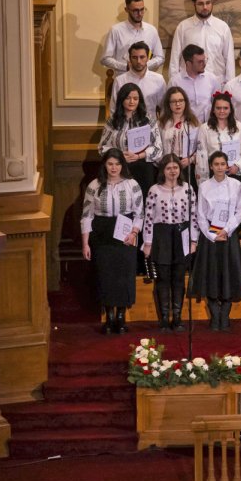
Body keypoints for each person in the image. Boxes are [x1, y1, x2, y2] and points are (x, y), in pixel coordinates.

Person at [81, 148, 144, 334]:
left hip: (126, 233)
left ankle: (121, 316)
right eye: (110, 164)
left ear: (122, 165)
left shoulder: (132, 184)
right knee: (106, 274)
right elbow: (86, 216)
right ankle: (109, 317)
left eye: (117, 164)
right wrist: (85, 243)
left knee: (124, 274)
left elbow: (140, 213)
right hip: (102, 232)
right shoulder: (94, 185)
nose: (114, 168)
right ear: (105, 165)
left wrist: (133, 233)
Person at [141, 154, 197, 331]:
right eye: (168, 168)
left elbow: (194, 216)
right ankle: (164, 317)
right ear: (163, 170)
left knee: (179, 278)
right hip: (161, 234)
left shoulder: (187, 189)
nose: (172, 171)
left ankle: (178, 317)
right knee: (163, 278)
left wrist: (194, 240)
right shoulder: (154, 190)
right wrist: (147, 242)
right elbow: (148, 218)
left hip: (182, 233)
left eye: (175, 168)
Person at [191, 150, 241, 331]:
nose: (220, 167)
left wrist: (227, 230)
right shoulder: (204, 186)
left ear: (227, 165)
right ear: (211, 166)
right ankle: (214, 316)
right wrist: (212, 235)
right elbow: (200, 215)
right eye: (216, 164)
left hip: (228, 235)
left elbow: (239, 212)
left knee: (229, 274)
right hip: (211, 238)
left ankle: (225, 316)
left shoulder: (236, 185)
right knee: (212, 274)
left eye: (223, 164)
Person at [99, 83, 162, 195]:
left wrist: (138, 155)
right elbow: (102, 147)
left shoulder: (148, 120)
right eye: (128, 98)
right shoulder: (112, 121)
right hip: (119, 167)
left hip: (143, 165)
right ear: (122, 99)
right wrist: (119, 156)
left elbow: (157, 147)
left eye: (135, 98)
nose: (132, 102)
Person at [171, 0, 237, 82]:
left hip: (216, 83)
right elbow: (175, 58)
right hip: (188, 82)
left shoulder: (223, 27)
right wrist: (174, 83)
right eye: (201, 4)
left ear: (212, 3)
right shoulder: (183, 27)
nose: (205, 7)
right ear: (194, 4)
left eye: (208, 3)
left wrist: (229, 86)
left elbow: (229, 59)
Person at [101, 0, 165, 72]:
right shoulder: (116, 30)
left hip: (146, 79)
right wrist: (126, 67)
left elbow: (160, 57)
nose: (140, 14)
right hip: (123, 79)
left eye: (142, 9)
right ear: (126, 10)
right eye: (135, 10)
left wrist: (144, 65)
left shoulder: (151, 30)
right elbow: (105, 59)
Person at [195, 92, 241, 184]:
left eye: (225, 108)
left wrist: (238, 166)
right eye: (218, 108)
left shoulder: (239, 127)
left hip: (234, 173)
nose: (222, 111)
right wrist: (203, 181)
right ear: (213, 109)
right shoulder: (205, 128)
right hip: (213, 175)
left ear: (230, 109)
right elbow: (201, 155)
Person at [156, 86, 200, 184]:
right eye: (174, 101)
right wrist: (165, 162)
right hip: (167, 165)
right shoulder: (161, 123)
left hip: (187, 164)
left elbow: (201, 146)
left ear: (185, 102)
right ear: (168, 104)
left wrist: (191, 159)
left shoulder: (193, 122)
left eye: (181, 100)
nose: (178, 104)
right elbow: (157, 146)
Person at [169, 44, 221, 122]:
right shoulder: (175, 82)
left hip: (207, 126)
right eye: (200, 62)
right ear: (188, 63)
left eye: (205, 60)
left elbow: (218, 104)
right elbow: (169, 107)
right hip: (184, 127)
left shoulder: (212, 79)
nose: (204, 64)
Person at [110, 41, 166, 112]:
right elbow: (113, 109)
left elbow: (165, 108)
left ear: (148, 58)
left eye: (142, 57)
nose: (138, 61)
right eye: (134, 57)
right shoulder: (120, 80)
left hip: (151, 122)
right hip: (126, 122)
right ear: (129, 59)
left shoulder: (158, 79)